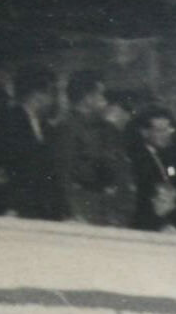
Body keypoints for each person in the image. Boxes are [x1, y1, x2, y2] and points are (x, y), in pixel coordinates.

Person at [0, 65, 64, 220]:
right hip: (13, 210)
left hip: (39, 211)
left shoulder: (45, 127)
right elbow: (3, 166)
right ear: (38, 94)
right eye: (53, 94)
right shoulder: (6, 121)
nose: (55, 101)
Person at [52, 71, 133, 227]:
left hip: (103, 207)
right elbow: (64, 172)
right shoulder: (68, 128)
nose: (105, 101)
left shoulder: (103, 128)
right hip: (81, 208)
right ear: (88, 98)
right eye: (101, 95)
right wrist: (72, 211)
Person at [129, 108, 176, 233]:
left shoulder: (166, 157)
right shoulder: (139, 158)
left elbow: (171, 178)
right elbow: (143, 195)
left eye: (168, 130)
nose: (166, 135)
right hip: (148, 223)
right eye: (159, 131)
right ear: (144, 132)